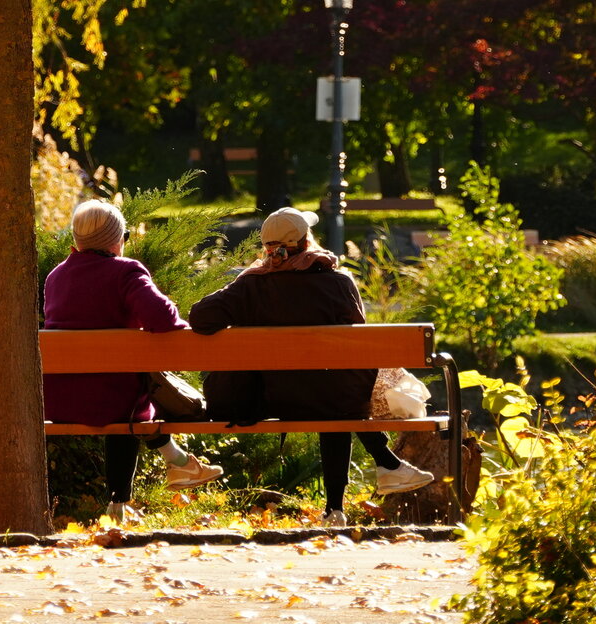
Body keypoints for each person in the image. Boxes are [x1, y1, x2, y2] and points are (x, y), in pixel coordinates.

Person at [189, 206, 434, 524]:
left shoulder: (251, 286)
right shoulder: (337, 283)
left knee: (328, 389)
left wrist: (251, 277)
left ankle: (381, 471)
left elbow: (200, 317)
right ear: (307, 241)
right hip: (333, 400)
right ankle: (340, 505)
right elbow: (358, 343)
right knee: (333, 389)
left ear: (267, 247)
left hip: (271, 399)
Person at [43, 199, 224, 524]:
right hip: (115, 400)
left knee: (121, 387)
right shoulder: (124, 271)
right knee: (132, 393)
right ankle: (169, 469)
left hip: (59, 400)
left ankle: (162, 475)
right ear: (116, 239)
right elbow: (161, 317)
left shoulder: (56, 276)